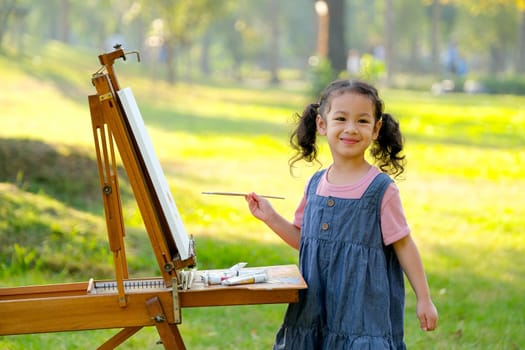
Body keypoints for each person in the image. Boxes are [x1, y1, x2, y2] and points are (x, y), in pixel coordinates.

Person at [245, 79, 438, 349]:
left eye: (362, 121)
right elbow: (306, 242)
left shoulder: (381, 190)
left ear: (376, 128)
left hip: (362, 318)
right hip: (314, 311)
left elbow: (404, 245)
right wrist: (270, 217)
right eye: (341, 118)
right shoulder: (315, 184)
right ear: (322, 125)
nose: (351, 128)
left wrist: (424, 298)